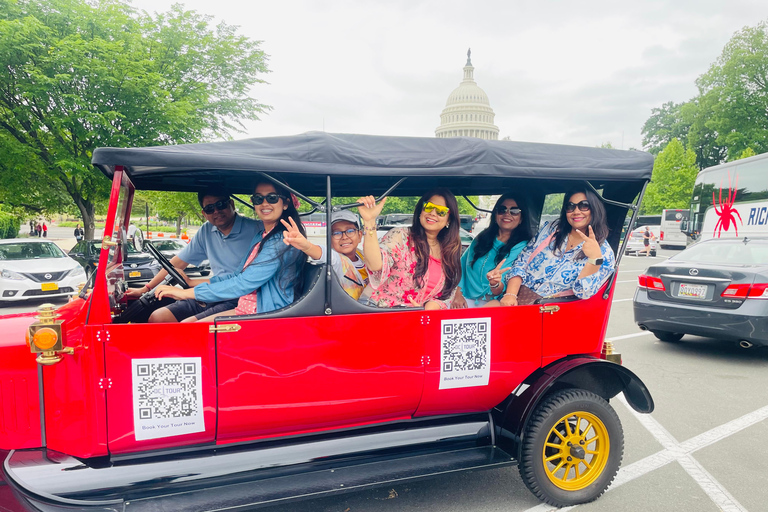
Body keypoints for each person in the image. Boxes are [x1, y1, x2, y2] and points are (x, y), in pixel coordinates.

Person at [154, 181, 306, 321]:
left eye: (272, 198)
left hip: (267, 312)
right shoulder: (262, 236)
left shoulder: (282, 240)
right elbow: (238, 274)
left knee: (191, 330)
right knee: (171, 321)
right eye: (258, 199)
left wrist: (186, 293)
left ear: (286, 203)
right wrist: (191, 283)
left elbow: (244, 283)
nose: (264, 204)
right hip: (247, 304)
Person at [128, 187, 261, 321]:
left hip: (240, 296)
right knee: (159, 317)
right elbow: (177, 263)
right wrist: (146, 288)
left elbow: (242, 280)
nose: (216, 211)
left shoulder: (257, 230)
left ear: (231, 204)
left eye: (221, 205)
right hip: (212, 291)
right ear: (204, 213)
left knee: (190, 326)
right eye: (210, 208)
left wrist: (191, 284)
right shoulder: (206, 231)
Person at [492, 188, 616, 306]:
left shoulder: (604, 253)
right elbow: (521, 261)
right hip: (516, 297)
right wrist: (510, 294)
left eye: (584, 205)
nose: (576, 211)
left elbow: (583, 293)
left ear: (594, 208)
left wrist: (593, 260)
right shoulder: (552, 230)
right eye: (570, 206)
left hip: (550, 312)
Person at [357, 188, 462, 309]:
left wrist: (426, 310)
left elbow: (445, 294)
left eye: (441, 211)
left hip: (417, 321)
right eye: (428, 207)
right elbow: (375, 265)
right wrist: (369, 222)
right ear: (420, 211)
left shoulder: (450, 250)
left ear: (449, 219)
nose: (433, 213)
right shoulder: (401, 236)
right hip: (379, 314)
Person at [452, 194, 532, 308]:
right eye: (502, 209)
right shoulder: (482, 237)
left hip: (495, 304)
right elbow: (463, 264)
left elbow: (500, 288)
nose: (507, 214)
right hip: (465, 299)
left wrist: (494, 283)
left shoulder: (522, 246)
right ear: (495, 215)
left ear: (521, 219)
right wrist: (458, 294)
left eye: (514, 211)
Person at [282, 210, 367, 299]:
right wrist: (307, 247)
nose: (344, 237)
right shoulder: (338, 261)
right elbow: (328, 256)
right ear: (329, 239)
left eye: (350, 231)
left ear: (360, 235)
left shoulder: (363, 255)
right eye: (337, 233)